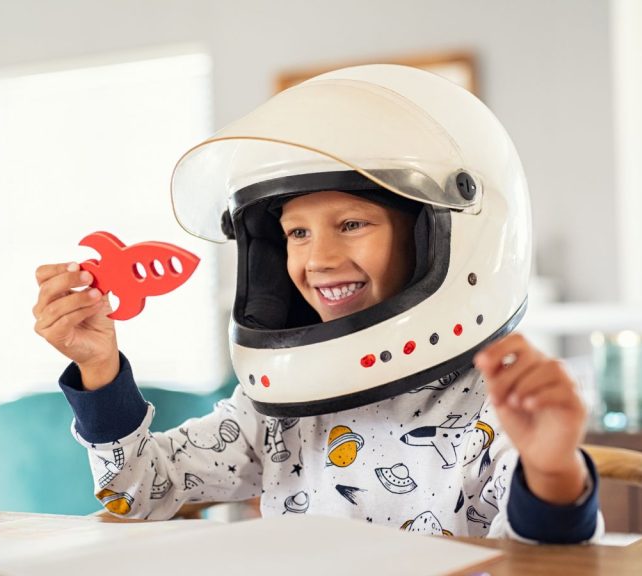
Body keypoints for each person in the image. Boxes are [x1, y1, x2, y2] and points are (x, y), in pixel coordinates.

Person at [32, 64, 601, 542]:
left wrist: (551, 469)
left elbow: (551, 566)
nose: (319, 259)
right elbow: (138, 492)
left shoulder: (500, 409)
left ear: (441, 236)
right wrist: (100, 370)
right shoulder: (279, 408)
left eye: (352, 224)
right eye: (296, 234)